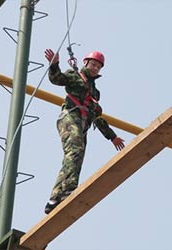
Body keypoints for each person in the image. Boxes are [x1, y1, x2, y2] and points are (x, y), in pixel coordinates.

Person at [44, 49, 125, 214]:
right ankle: (68, 190)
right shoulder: (75, 77)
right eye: (93, 64)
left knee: (76, 158)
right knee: (75, 150)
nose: (95, 68)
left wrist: (112, 137)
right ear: (86, 63)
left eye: (98, 67)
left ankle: (55, 197)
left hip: (82, 125)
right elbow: (57, 79)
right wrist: (54, 65)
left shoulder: (95, 93)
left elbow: (97, 117)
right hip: (70, 118)